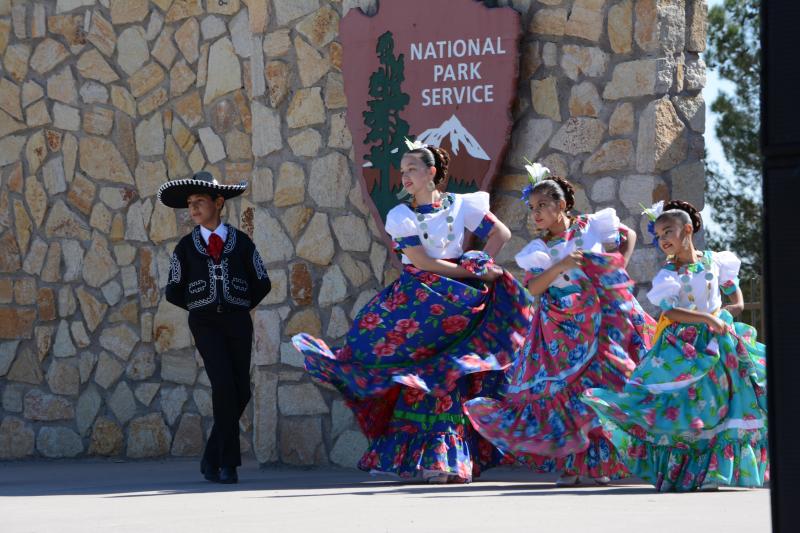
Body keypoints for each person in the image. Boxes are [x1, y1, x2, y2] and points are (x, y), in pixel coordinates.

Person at [292, 141, 533, 483]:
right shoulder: (401, 216)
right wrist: (470, 271)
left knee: (447, 374)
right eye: (402, 170)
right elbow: (422, 262)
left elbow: (500, 232)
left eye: (412, 169)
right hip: (419, 301)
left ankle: (443, 461)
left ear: (432, 172)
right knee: (415, 373)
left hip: (456, 302)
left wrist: (482, 260)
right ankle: (424, 459)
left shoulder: (460, 205)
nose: (404, 176)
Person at [465, 163, 656, 486]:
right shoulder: (538, 249)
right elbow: (534, 287)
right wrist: (562, 265)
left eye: (542, 205)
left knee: (601, 389)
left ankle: (600, 464)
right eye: (532, 207)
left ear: (562, 204)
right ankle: (574, 464)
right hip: (562, 328)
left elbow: (628, 235)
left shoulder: (592, 227)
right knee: (567, 393)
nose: (536, 213)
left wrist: (616, 269)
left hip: (600, 320)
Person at [582, 200, 768, 491]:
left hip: (721, 343)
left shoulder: (715, 261)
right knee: (694, 405)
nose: (663, 239)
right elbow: (670, 311)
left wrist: (734, 308)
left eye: (668, 231)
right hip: (685, 346)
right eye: (658, 235)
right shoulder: (668, 274)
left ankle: (713, 472)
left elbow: (733, 292)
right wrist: (707, 318)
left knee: (724, 402)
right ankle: (689, 470)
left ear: (688, 230)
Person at [159, 171, 271, 484]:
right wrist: (201, 305)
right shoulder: (185, 247)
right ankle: (228, 464)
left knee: (241, 389)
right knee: (223, 385)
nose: (193, 208)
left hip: (237, 321)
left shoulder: (242, 242)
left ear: (218, 202)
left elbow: (262, 281)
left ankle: (211, 456)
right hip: (205, 323)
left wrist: (238, 302)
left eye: (200, 201)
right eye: (189, 203)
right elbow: (173, 289)